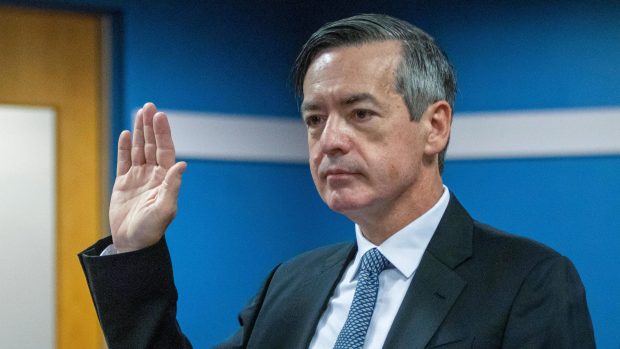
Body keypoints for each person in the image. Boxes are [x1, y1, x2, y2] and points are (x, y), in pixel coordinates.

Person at [79, 14, 595, 348]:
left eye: (360, 114)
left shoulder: (529, 281)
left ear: (434, 127)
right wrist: (133, 249)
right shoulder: (291, 283)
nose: (330, 140)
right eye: (314, 119)